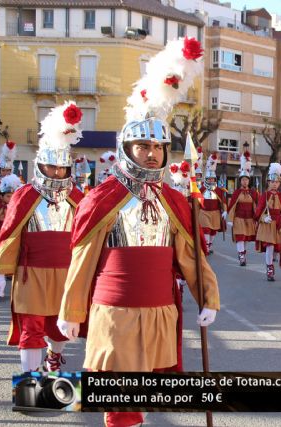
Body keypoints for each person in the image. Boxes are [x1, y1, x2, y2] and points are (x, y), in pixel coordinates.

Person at [57, 37, 218, 427]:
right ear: (126, 148)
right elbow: (83, 258)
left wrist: (207, 296)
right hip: (115, 311)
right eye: (142, 145)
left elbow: (190, 255)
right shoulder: (103, 197)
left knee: (143, 395)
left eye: (158, 146)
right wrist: (71, 310)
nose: (151, 153)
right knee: (121, 401)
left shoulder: (173, 200)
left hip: (160, 312)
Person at [0, 101, 84, 372]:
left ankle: (54, 358)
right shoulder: (25, 195)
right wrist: (0, 270)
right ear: (40, 166)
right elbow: (9, 232)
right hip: (30, 272)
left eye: (61, 168)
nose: (57, 173)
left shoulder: (77, 196)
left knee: (62, 325)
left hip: (66, 271)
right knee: (31, 326)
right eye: (51, 167)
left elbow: (89, 232)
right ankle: (29, 381)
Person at [255, 163, 281, 281]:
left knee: (276, 248)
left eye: (277, 182)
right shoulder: (264, 196)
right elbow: (258, 212)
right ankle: (269, 268)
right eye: (272, 182)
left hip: (278, 225)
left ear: (279, 183)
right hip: (268, 225)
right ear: (269, 182)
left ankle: (272, 261)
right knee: (269, 246)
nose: (275, 184)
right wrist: (264, 218)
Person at [226, 151, 259, 266]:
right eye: (243, 180)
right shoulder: (236, 193)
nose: (245, 181)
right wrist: (230, 219)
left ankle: (243, 254)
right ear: (240, 181)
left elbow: (258, 206)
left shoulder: (254, 193)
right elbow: (231, 205)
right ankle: (241, 256)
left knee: (245, 238)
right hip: (239, 219)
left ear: (249, 181)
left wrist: (258, 218)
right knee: (240, 237)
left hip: (249, 219)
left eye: (246, 180)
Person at [0, 175, 23, 299]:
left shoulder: (14, 206)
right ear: (1, 196)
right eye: (7, 196)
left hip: (6, 238)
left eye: (12, 196)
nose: (10, 198)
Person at [199, 153, 227, 255]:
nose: (211, 180)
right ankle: (205, 247)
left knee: (213, 231)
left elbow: (223, 201)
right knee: (206, 229)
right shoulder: (201, 189)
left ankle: (209, 245)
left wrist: (225, 211)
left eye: (213, 179)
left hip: (215, 213)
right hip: (204, 212)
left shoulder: (219, 190)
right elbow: (196, 201)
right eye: (209, 179)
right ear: (206, 179)